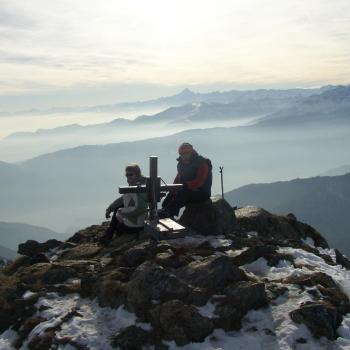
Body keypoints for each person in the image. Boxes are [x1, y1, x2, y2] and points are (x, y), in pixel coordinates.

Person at [159, 142, 212, 218]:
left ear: (191, 153)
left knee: (183, 194)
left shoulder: (202, 163)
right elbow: (178, 178)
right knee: (169, 197)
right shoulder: (182, 164)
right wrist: (172, 189)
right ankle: (167, 213)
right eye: (182, 154)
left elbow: (200, 181)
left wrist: (185, 186)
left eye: (186, 154)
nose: (183, 156)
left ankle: (167, 212)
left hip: (202, 192)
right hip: (187, 189)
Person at [99, 164, 148, 244]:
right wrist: (109, 209)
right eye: (127, 175)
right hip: (139, 222)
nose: (128, 177)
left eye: (130, 174)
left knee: (119, 226)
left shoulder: (139, 188)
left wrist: (123, 213)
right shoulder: (136, 185)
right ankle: (109, 235)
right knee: (118, 208)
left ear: (137, 174)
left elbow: (141, 208)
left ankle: (109, 237)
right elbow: (122, 199)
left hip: (137, 225)